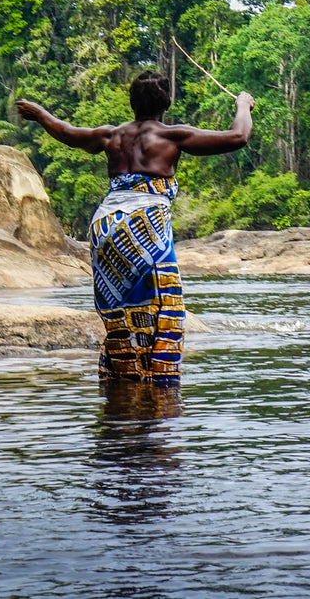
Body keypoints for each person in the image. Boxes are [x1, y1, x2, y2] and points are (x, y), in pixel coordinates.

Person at [17, 72, 253, 384]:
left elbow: (67, 132)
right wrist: (242, 105)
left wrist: (40, 114)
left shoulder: (110, 136)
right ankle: (158, 390)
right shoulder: (172, 136)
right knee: (164, 310)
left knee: (119, 313)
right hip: (145, 224)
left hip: (105, 226)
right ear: (167, 102)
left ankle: (123, 385)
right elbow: (238, 137)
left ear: (131, 103)